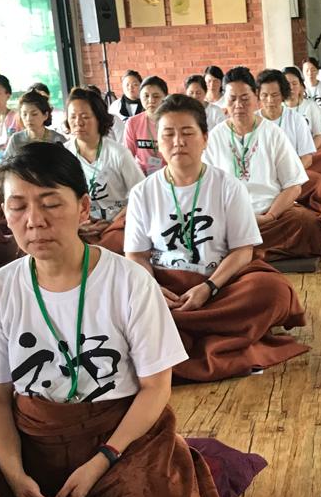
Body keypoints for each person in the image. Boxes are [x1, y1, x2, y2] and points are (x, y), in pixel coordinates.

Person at [0, 143, 258, 497]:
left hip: (120, 443)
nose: (34, 220)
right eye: (18, 206)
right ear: (4, 213)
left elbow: (155, 388)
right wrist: (15, 475)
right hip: (31, 440)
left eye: (50, 203)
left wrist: (101, 461)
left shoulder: (130, 281)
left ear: (83, 208)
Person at [125, 95, 307, 381]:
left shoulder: (228, 187)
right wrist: (152, 289)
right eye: (168, 134)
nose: (178, 142)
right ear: (158, 142)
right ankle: (211, 336)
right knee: (120, 298)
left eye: (187, 133)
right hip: (166, 289)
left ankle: (175, 337)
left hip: (220, 284)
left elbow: (243, 251)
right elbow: (136, 255)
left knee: (273, 290)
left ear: (205, 139)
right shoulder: (142, 192)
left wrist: (208, 287)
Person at [204, 67, 321, 263]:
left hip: (271, 214)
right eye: (232, 99)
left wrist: (270, 216)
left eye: (244, 98)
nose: (238, 105)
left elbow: (293, 185)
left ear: (255, 96)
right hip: (230, 218)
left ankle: (241, 254)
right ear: (224, 101)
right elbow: (205, 188)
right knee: (203, 231)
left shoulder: (273, 133)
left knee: (308, 224)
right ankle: (251, 251)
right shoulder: (214, 137)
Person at [65, 87, 144, 253]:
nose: (78, 122)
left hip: (117, 221)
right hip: (79, 223)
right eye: (72, 117)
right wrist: (78, 222)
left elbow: (141, 194)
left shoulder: (118, 154)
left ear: (99, 119)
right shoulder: (64, 154)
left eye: (85, 117)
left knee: (108, 247)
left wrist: (112, 222)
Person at [257, 69, 321, 217]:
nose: (270, 100)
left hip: (291, 174)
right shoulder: (252, 121)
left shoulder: (296, 119)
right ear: (258, 95)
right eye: (265, 95)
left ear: (283, 94)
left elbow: (307, 158)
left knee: (318, 183)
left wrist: (287, 178)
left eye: (275, 95)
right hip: (260, 178)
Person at [125, 75, 167, 175]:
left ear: (165, 97)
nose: (151, 100)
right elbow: (128, 157)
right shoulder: (132, 123)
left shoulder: (173, 122)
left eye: (156, 96)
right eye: (146, 96)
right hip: (141, 176)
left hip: (168, 175)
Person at [5, 90, 66, 157]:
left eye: (34, 114)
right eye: (24, 114)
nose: (28, 119)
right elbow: (6, 162)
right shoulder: (16, 140)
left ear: (45, 115)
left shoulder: (57, 140)